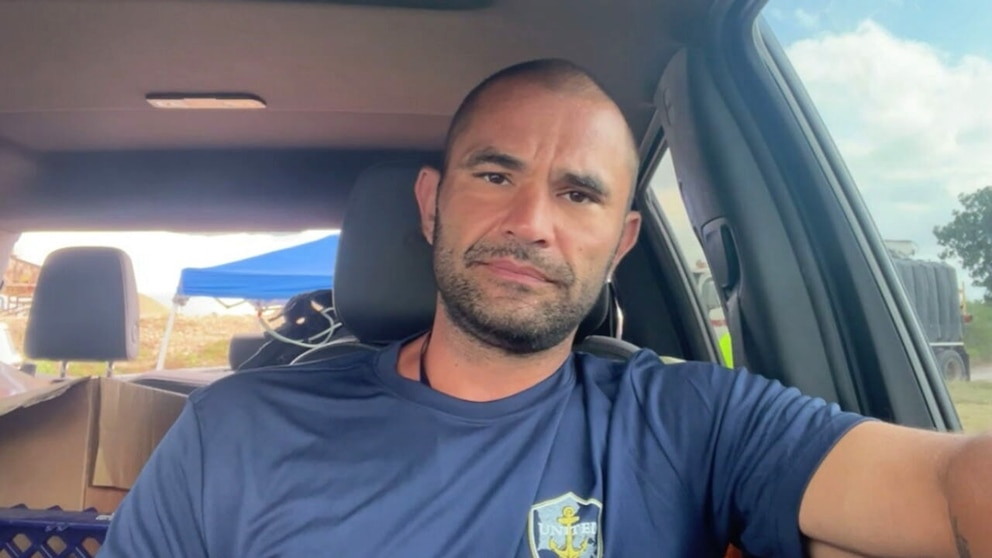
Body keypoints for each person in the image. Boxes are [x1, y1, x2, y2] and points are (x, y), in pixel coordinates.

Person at [100, 59, 989, 557]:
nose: (531, 222)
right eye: (496, 176)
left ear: (622, 241)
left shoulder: (694, 422)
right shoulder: (236, 431)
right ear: (431, 205)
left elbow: (948, 491)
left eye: (578, 194)